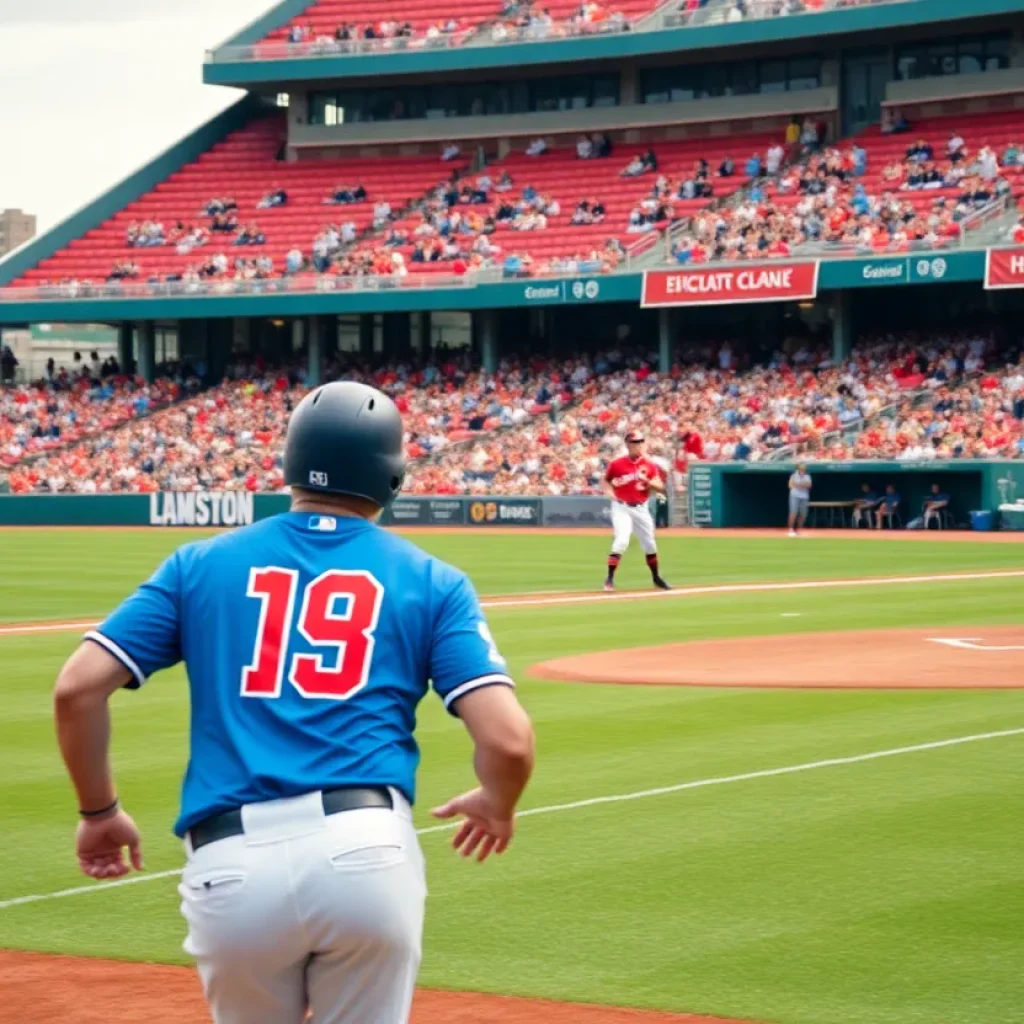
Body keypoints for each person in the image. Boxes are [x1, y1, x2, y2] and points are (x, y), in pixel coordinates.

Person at [52, 381, 536, 1024]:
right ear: (392, 475)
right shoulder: (433, 580)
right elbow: (507, 741)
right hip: (367, 854)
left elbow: (77, 688)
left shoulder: (199, 562)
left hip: (229, 865)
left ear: (289, 462)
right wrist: (496, 802)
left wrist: (100, 811)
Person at [603, 430, 670, 592]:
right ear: (628, 444)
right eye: (635, 442)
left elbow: (661, 488)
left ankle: (656, 577)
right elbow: (606, 480)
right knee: (621, 541)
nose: (638, 445)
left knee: (650, 544)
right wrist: (610, 493)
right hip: (622, 507)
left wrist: (649, 482)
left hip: (641, 508)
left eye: (641, 441)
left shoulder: (649, 465)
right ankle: (609, 579)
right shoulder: (617, 464)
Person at [787, 462, 812, 537]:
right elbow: (790, 485)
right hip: (794, 495)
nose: (803, 468)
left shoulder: (807, 476)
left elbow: (809, 485)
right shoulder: (794, 475)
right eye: (801, 467)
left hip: (804, 496)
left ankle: (798, 531)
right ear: (798, 468)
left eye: (804, 467)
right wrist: (802, 485)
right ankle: (791, 530)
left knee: (803, 514)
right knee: (793, 513)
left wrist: (798, 484)